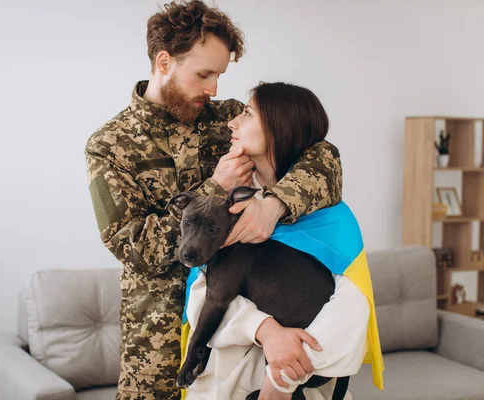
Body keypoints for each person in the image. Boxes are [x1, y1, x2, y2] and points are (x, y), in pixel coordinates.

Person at [85, 2, 343, 399]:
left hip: (241, 327)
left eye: (220, 76)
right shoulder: (109, 146)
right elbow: (132, 246)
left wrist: (274, 203)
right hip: (159, 343)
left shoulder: (229, 120)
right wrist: (212, 190)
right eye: (204, 74)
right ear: (165, 62)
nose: (214, 89)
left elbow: (323, 154)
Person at [182, 82, 383, 400]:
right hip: (222, 385)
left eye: (247, 113)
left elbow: (351, 311)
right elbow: (200, 300)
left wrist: (280, 381)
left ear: (279, 127)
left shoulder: (334, 219)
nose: (232, 122)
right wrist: (264, 329)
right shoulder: (229, 212)